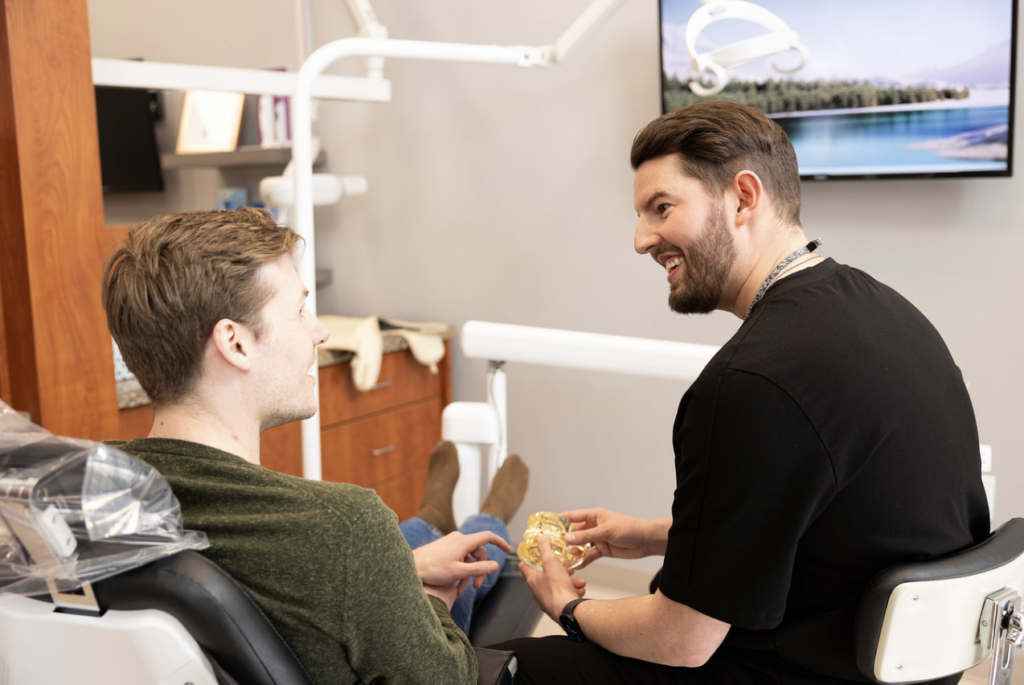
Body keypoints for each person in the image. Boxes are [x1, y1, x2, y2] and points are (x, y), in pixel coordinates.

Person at [495, 100, 990, 684]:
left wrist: (567, 608)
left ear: (743, 198)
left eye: (661, 208)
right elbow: (828, 529)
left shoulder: (750, 383)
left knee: (495, 665)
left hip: (804, 670)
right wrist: (655, 535)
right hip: (898, 666)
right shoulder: (888, 313)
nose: (640, 240)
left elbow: (681, 640)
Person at [101, 207, 530, 685]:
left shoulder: (88, 495)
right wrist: (431, 601)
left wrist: (404, 569)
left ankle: (434, 515)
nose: (319, 331)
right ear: (235, 343)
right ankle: (488, 518)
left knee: (407, 550)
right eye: (299, 310)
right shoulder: (345, 526)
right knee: (454, 566)